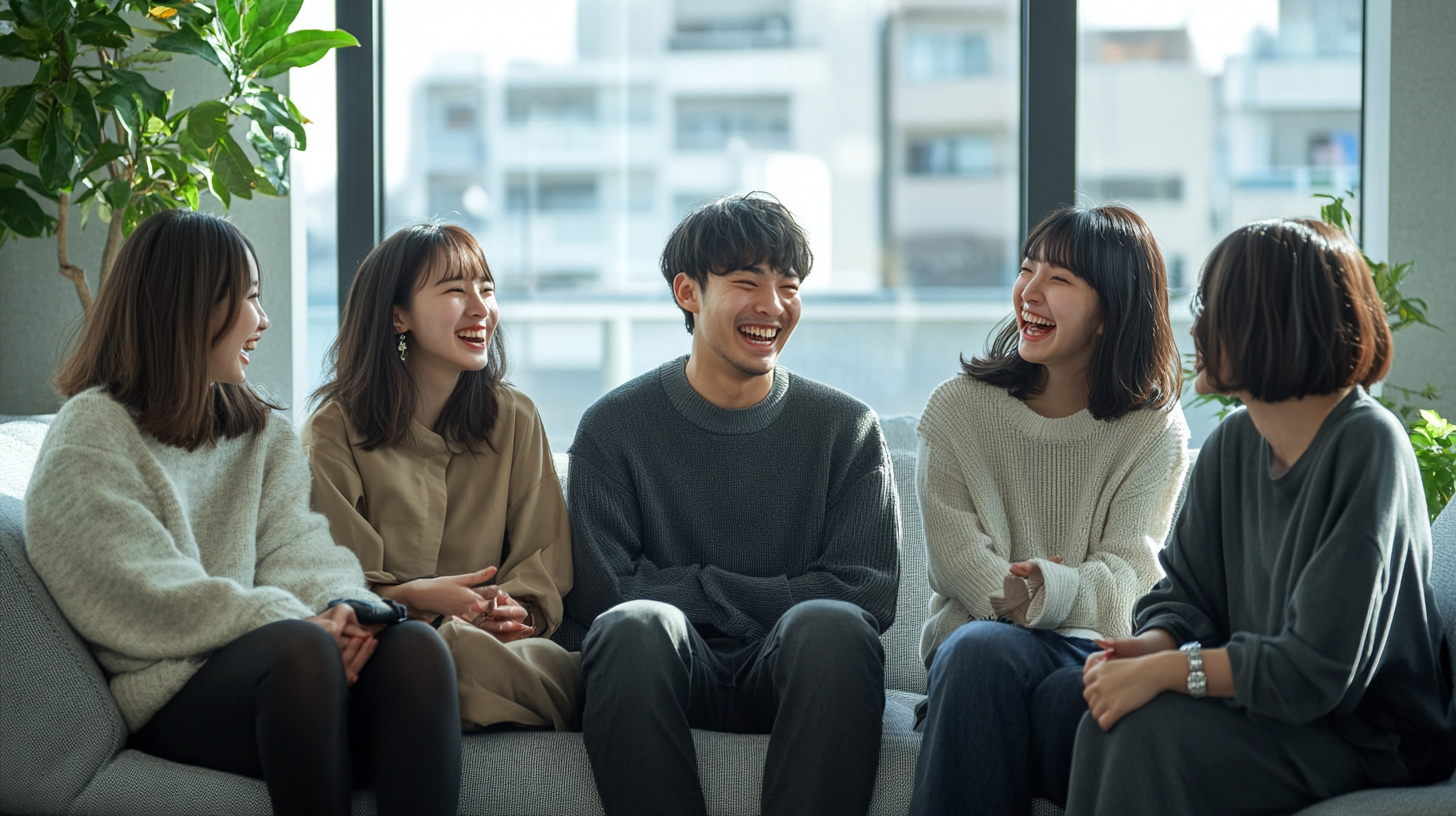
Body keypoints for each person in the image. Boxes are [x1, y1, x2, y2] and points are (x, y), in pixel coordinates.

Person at [24, 209, 460, 816]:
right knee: (299, 654)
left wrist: (345, 611)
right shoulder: (92, 431)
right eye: (250, 299)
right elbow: (135, 588)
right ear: (190, 306)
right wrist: (295, 625)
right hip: (177, 688)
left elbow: (299, 547)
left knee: (416, 649)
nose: (263, 321)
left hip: (287, 662)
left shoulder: (259, 430)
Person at [1068, 218, 1456, 815]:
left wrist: (1175, 671)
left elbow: (1319, 667)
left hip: (1368, 732)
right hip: (1269, 709)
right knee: (1101, 717)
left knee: (1147, 732)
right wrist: (1152, 646)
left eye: (1214, 306)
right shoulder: (1231, 446)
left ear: (1272, 318)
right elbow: (1186, 595)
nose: (1194, 326)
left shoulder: (1369, 448)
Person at [561, 192, 900, 816]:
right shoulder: (614, 428)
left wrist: (697, 590)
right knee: (633, 628)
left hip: (793, 669)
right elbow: (601, 594)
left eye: (789, 285)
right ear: (688, 292)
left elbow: (866, 593)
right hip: (663, 672)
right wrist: (765, 594)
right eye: (747, 282)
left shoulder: (846, 429)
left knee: (831, 627)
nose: (772, 306)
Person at [908, 205, 1189, 816]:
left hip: (1084, 654)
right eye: (1027, 270)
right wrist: (1036, 593)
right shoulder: (958, 410)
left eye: (1059, 280)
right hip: (971, 657)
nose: (1029, 292)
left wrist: (1046, 588)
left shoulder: (1151, 429)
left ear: (1110, 312)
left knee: (1048, 688)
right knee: (982, 651)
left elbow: (1132, 586)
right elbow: (956, 562)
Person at [302, 223, 579, 731]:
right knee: (422, 652)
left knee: (569, 668)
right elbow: (329, 582)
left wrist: (510, 611)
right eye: (455, 291)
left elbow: (544, 563)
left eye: (487, 289)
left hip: (500, 648)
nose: (480, 309)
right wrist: (417, 600)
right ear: (397, 315)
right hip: (382, 640)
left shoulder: (515, 417)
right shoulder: (334, 428)